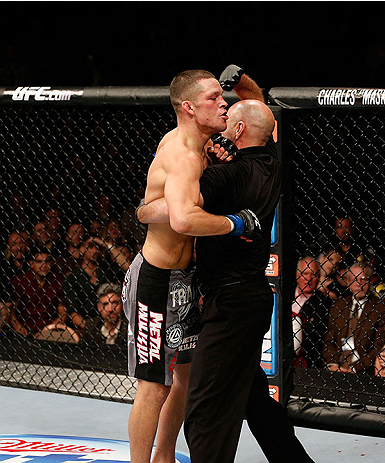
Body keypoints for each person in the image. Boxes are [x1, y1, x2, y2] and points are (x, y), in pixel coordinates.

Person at [133, 67, 308, 463]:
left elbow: (169, 212)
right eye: (215, 100)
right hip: (214, 291)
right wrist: (241, 79)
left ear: (241, 131)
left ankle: (173, 456)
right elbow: (259, 109)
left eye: (227, 104)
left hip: (219, 298)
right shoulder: (266, 161)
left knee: (200, 402)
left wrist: (144, 211)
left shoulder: (225, 174)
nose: (225, 107)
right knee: (241, 396)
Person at [323, 261, 385, 373]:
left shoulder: (380, 308)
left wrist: (355, 368)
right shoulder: (338, 305)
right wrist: (333, 364)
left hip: (363, 369)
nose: (358, 284)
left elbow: (379, 345)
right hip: (336, 365)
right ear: (347, 282)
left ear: (369, 280)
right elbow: (329, 340)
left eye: (362, 279)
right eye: (354, 280)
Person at [63, 235, 123, 331]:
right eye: (91, 247)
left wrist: (108, 245)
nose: (95, 251)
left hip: (113, 322)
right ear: (82, 249)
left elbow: (127, 267)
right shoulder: (73, 277)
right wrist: (90, 329)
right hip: (87, 326)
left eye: (97, 248)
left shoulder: (107, 270)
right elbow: (73, 312)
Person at [9, 246, 67, 337]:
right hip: (24, 329)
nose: (44, 265)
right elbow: (11, 311)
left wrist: (46, 331)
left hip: (50, 330)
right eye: (39, 261)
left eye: (47, 261)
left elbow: (63, 314)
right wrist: (18, 326)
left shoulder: (58, 282)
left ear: (51, 263)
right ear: (31, 264)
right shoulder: (20, 280)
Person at [292, 255, 331, 368]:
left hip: (305, 358)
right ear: (297, 275)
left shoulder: (323, 303)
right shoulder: (283, 295)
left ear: (318, 277)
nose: (309, 279)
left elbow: (312, 333)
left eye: (313, 274)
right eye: (305, 273)